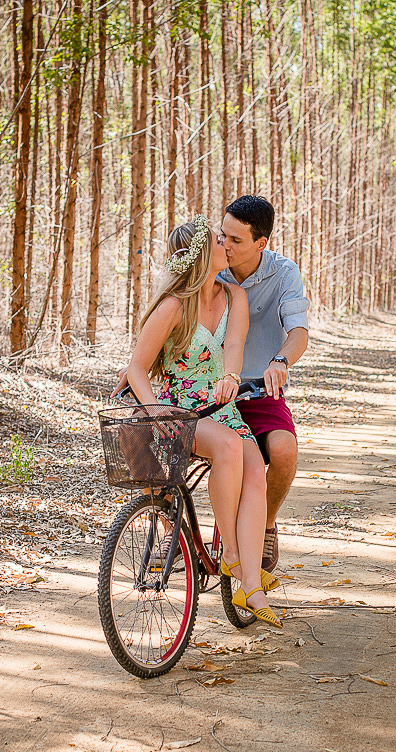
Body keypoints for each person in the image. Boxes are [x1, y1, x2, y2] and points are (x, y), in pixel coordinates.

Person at [124, 214, 282, 628]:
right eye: (218, 240)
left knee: (255, 474)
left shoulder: (234, 297)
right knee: (229, 447)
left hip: (221, 407)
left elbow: (233, 345)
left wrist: (230, 377)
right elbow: (137, 367)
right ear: (199, 257)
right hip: (180, 409)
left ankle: (252, 584)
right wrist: (155, 411)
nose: (226, 245)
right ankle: (231, 554)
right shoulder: (174, 307)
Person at [217, 196, 309, 571]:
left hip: (258, 388)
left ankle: (266, 525)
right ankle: (176, 534)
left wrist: (281, 360)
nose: (225, 245)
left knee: (284, 452)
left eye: (236, 240)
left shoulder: (284, 273)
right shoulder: (209, 267)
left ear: (261, 243)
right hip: (209, 389)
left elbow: (299, 331)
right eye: (223, 235)